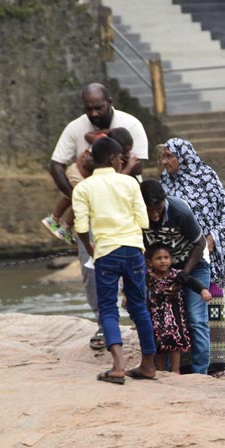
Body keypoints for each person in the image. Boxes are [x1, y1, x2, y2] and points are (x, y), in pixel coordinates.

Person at [48, 82, 149, 351]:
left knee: (136, 268)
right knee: (91, 269)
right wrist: (77, 196)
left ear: (110, 102)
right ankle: (104, 325)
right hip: (91, 209)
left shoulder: (131, 124)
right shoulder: (76, 128)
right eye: (89, 108)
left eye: (98, 107)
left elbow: (140, 163)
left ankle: (143, 325)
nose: (93, 113)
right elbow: (56, 163)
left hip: (124, 206)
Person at [71, 137, 156, 384]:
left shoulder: (84, 188)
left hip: (106, 252)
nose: (122, 163)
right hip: (133, 251)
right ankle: (148, 365)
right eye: (121, 159)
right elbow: (144, 222)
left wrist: (89, 247)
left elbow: (80, 225)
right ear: (112, 159)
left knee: (108, 308)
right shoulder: (129, 183)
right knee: (140, 308)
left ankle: (118, 366)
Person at [158, 137, 225, 377]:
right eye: (163, 156)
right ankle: (183, 365)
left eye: (170, 156)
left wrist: (212, 239)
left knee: (203, 308)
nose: (165, 161)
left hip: (206, 254)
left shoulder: (206, 176)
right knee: (176, 310)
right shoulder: (164, 181)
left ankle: (214, 365)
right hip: (174, 256)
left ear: (184, 157)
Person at [140, 180, 212, 376]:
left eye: (158, 208)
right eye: (149, 210)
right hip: (159, 271)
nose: (154, 215)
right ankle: (164, 370)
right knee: (159, 319)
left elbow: (200, 243)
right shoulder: (136, 214)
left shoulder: (179, 211)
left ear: (164, 201)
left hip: (192, 266)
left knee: (196, 319)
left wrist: (183, 276)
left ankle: (200, 374)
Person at [145, 242, 212, 374]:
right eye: (158, 258)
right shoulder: (149, 276)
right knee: (160, 344)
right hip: (156, 316)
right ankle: (160, 371)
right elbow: (136, 284)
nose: (163, 261)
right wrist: (126, 295)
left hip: (174, 316)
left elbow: (191, 281)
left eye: (166, 258)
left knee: (175, 344)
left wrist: (203, 290)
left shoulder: (176, 274)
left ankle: (176, 371)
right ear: (150, 262)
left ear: (171, 259)